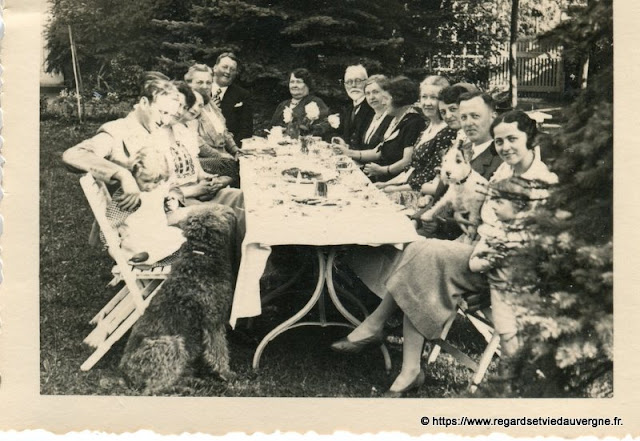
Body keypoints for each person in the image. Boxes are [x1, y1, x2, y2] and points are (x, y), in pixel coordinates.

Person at [332, 110, 557, 397]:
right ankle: (405, 363)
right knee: (420, 253)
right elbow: (485, 212)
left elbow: (532, 243)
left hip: (505, 269)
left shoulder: (542, 182)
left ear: (531, 139)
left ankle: (384, 336)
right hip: (479, 248)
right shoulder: (507, 170)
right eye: (500, 142)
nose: (505, 147)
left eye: (512, 139)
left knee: (424, 256)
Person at [468, 176, 552, 356]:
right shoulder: (494, 231)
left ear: (518, 204)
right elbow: (473, 263)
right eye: (492, 201)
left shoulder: (529, 232)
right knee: (508, 338)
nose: (492, 206)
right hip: (502, 296)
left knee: (529, 337)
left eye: (499, 201)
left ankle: (525, 375)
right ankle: (510, 376)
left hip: (528, 295)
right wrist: (489, 261)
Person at [420, 90, 503, 239]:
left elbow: (482, 217)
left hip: (459, 238)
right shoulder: (458, 152)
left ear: (493, 117)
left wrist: (440, 224)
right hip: (431, 230)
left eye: (475, 116)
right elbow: (441, 196)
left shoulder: (499, 161)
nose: (468, 123)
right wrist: (417, 218)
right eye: (463, 117)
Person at [378, 78, 459, 211]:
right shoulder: (427, 128)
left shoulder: (447, 132)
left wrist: (394, 188)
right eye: (424, 97)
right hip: (409, 187)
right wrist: (386, 183)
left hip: (424, 197)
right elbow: (412, 169)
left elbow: (429, 176)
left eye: (433, 97)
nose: (427, 103)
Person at [338, 76, 426, 182]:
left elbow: (407, 161)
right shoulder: (396, 119)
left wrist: (383, 170)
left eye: (386, 99)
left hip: (394, 182)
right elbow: (378, 152)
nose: (383, 103)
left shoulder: (413, 122)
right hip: (381, 178)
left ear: (399, 99)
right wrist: (348, 152)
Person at [109, 146, 185, 265]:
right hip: (137, 238)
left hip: (158, 233)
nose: (150, 186)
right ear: (134, 174)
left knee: (179, 236)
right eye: (145, 181)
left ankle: (150, 258)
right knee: (138, 246)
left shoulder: (158, 187)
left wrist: (172, 198)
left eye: (155, 182)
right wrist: (111, 245)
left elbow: (171, 188)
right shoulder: (129, 195)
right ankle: (143, 257)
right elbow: (111, 223)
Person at [184, 63, 243, 160]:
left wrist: (235, 149)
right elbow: (195, 140)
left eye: (208, 82)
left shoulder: (211, 103)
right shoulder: (188, 107)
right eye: (200, 82)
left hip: (223, 155)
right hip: (203, 159)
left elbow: (224, 131)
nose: (205, 86)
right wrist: (220, 156)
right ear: (189, 83)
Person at [270, 68, 330, 137]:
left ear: (307, 85)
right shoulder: (283, 105)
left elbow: (324, 128)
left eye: (298, 82)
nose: (294, 85)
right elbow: (271, 128)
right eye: (292, 82)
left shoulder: (315, 102)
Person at [211, 52, 254, 147]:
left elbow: (246, 130)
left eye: (232, 69)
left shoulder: (242, 95)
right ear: (215, 68)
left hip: (230, 149)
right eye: (224, 67)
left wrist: (232, 150)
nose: (228, 72)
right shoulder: (202, 89)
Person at [334, 65, 375, 149]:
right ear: (345, 86)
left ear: (367, 83)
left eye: (358, 81)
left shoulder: (373, 107)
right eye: (349, 82)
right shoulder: (349, 109)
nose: (353, 85)